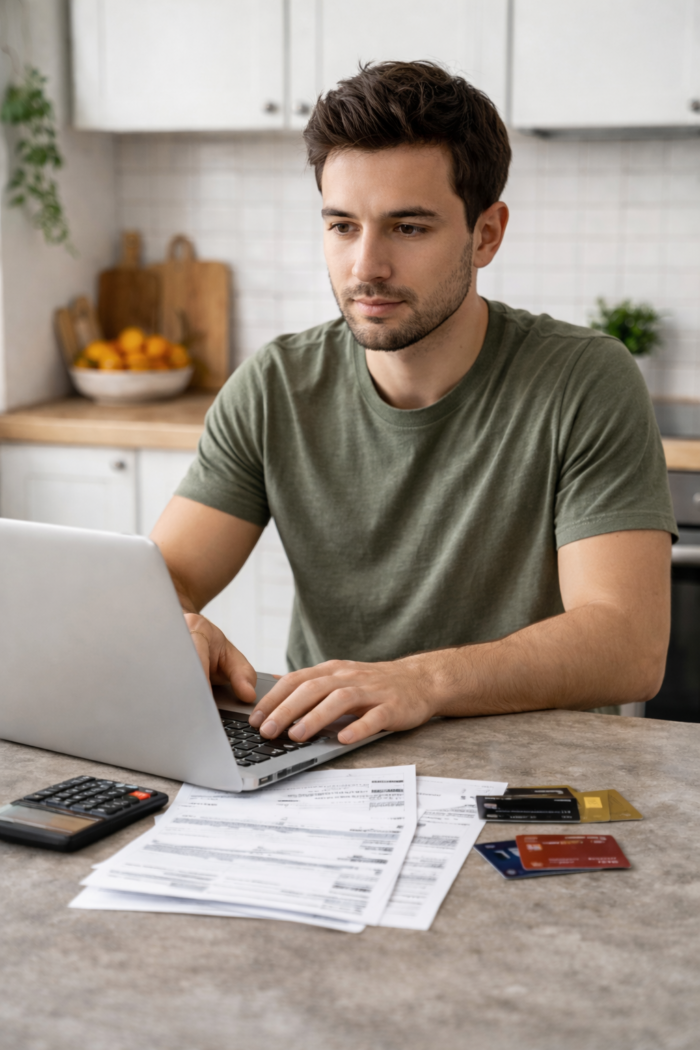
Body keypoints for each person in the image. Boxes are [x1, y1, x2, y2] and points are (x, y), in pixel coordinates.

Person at [151, 61, 676, 748]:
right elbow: (166, 578)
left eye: (408, 228)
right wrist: (180, 622)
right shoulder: (275, 385)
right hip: (328, 762)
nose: (366, 266)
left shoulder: (584, 380)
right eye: (342, 226)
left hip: (536, 769)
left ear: (486, 234)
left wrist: (421, 683)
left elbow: (627, 644)